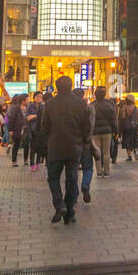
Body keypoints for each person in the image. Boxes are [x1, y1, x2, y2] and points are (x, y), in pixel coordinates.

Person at [44, 76, 92, 224]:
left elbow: (44, 125)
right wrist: (84, 141)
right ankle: (69, 211)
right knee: (72, 180)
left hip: (55, 146)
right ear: (71, 86)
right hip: (74, 146)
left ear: (56, 88)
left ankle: (59, 205)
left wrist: (48, 140)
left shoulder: (50, 103)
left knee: (53, 177)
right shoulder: (81, 103)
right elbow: (87, 125)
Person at [119, 96, 138, 161]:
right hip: (134, 127)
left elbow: (122, 117)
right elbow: (137, 118)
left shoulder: (124, 108)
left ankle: (129, 156)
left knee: (127, 142)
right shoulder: (135, 108)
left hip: (126, 128)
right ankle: (135, 151)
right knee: (134, 140)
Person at [7, 94, 27, 165]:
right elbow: (12, 119)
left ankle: (26, 160)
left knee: (26, 145)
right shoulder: (16, 108)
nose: (28, 101)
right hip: (17, 129)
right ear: (23, 100)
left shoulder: (28, 107)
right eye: (27, 99)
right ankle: (14, 161)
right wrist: (10, 130)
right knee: (16, 145)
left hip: (26, 129)